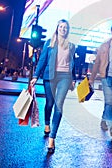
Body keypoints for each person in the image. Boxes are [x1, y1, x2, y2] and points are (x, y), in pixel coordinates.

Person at [30, 19, 76, 153]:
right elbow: (42, 61)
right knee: (49, 103)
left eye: (65, 27)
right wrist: (35, 76)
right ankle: (46, 124)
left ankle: (52, 139)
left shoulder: (71, 46)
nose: (63, 29)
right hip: (49, 77)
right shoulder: (49, 44)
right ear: (57, 28)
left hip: (64, 78)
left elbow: (72, 63)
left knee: (59, 106)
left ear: (68, 30)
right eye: (61, 27)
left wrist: (73, 79)